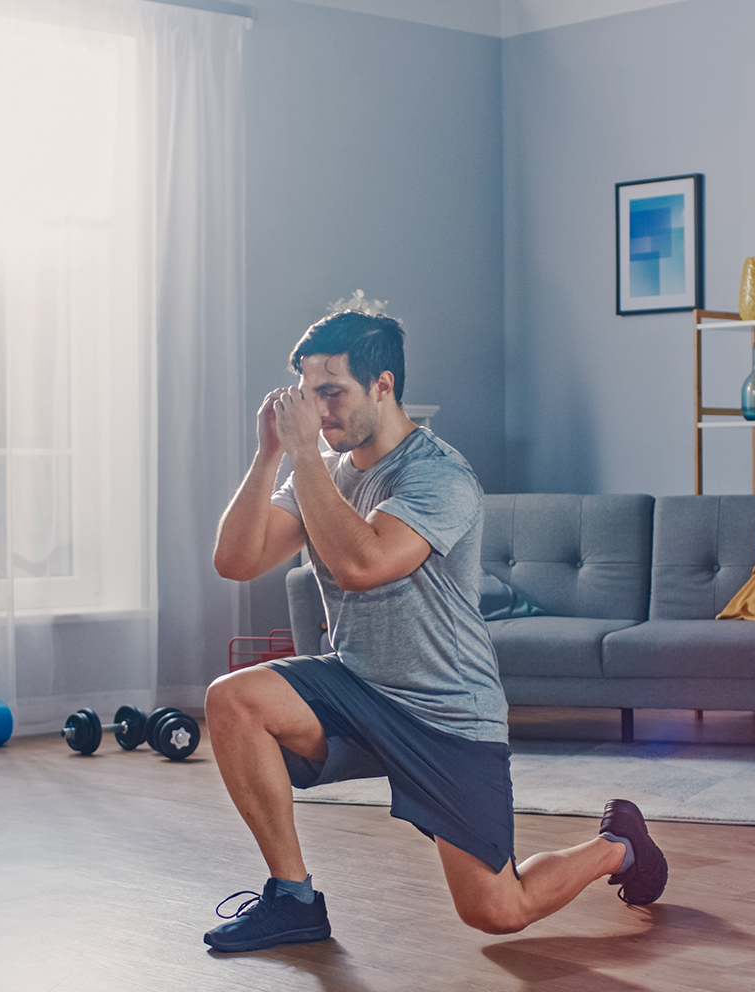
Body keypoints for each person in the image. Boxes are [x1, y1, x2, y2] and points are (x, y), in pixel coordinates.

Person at [204, 309, 667, 953]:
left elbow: (363, 564)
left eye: (332, 391)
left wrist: (305, 458)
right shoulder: (322, 471)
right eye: (308, 396)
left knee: (499, 912)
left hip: (447, 715)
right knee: (232, 698)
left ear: (383, 386)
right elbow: (236, 560)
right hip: (358, 688)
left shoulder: (438, 475)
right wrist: (270, 455)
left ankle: (617, 847)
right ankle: (293, 898)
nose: (318, 411)